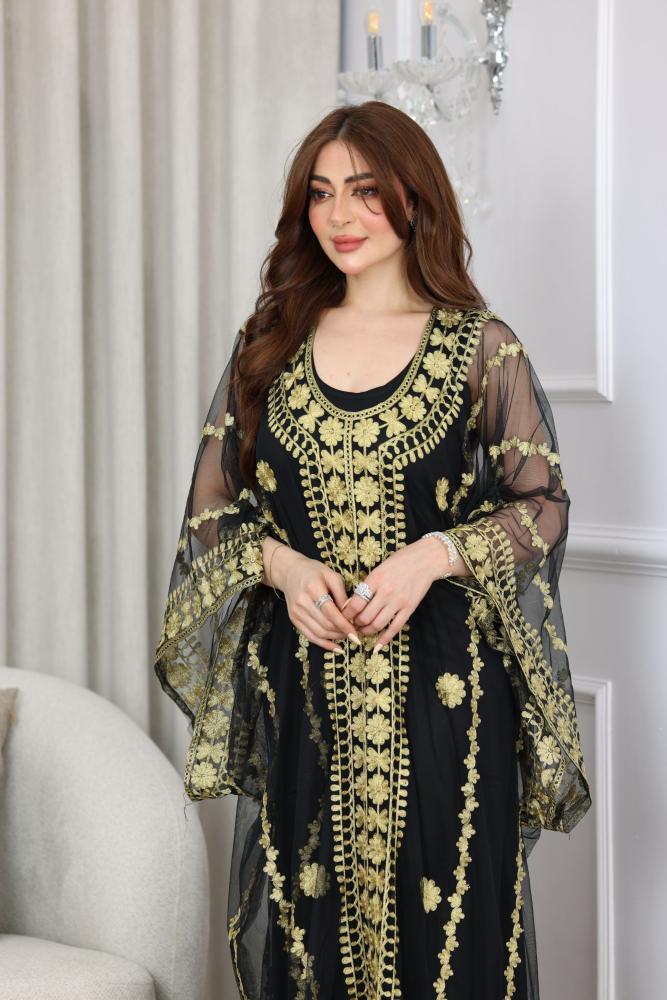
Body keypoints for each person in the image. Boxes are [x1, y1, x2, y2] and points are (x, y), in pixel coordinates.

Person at [153, 100, 591, 1000]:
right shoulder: (270, 344)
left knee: (448, 948)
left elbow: (541, 504)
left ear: (413, 198)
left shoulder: (478, 348)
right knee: (312, 947)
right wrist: (281, 566)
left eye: (363, 190)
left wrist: (433, 555)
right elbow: (210, 516)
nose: (339, 216)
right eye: (319, 194)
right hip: (304, 688)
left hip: (448, 696)